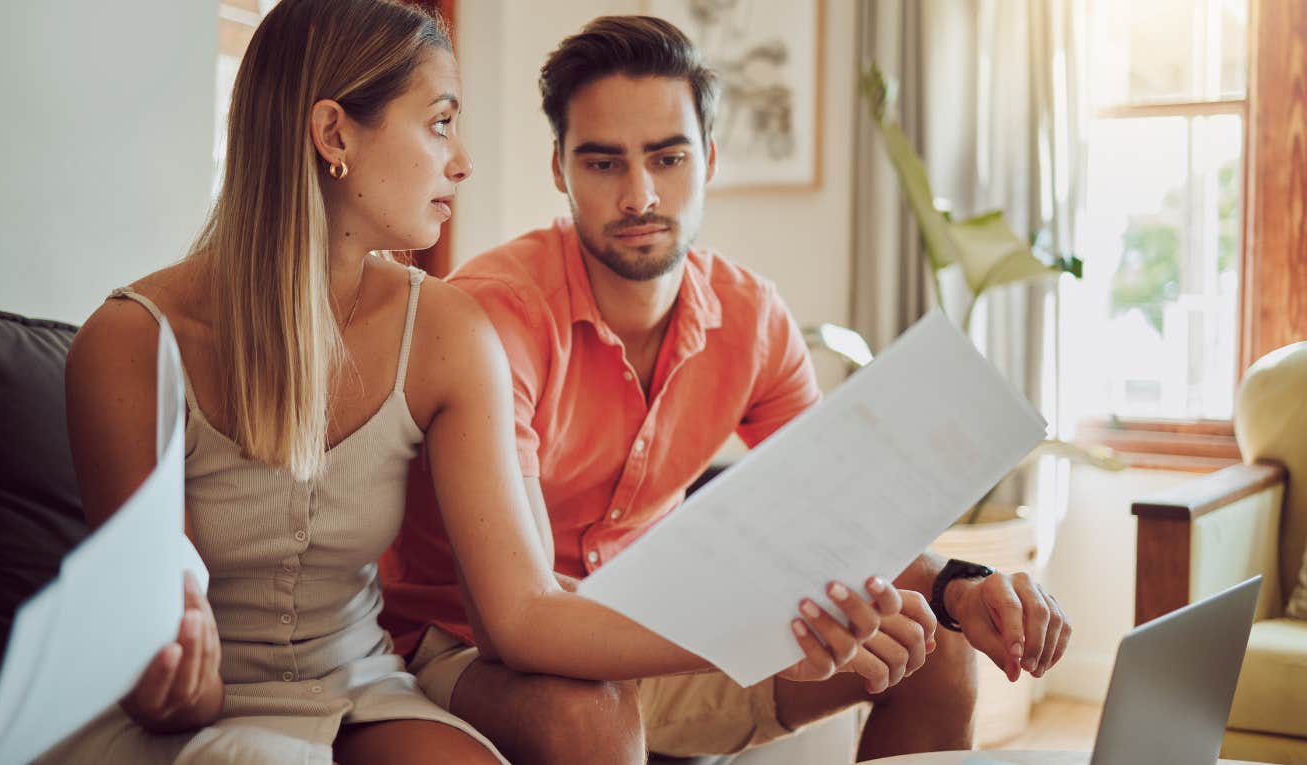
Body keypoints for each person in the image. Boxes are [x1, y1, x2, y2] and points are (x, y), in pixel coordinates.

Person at [47, 3, 918, 763]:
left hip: (358, 681)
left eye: (668, 156)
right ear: (333, 136)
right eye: (440, 123)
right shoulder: (128, 344)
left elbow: (524, 611)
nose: (461, 162)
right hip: (225, 705)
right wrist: (173, 684)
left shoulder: (444, 330)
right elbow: (159, 667)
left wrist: (792, 620)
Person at [381, 14, 1074, 764]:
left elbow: (838, 516)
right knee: (588, 711)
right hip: (469, 647)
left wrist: (962, 589)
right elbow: (520, 622)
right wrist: (744, 631)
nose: (640, 194)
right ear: (561, 168)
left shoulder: (752, 319)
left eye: (668, 157)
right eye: (604, 163)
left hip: (651, 634)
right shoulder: (495, 316)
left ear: (709, 158)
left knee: (933, 646)